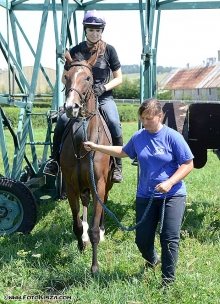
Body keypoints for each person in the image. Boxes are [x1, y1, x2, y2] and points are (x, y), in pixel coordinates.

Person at [83, 98, 194, 287]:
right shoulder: (139, 136)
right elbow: (123, 151)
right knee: (142, 240)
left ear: (160, 116)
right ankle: (153, 260)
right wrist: (96, 147)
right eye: (142, 118)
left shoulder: (172, 137)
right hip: (145, 195)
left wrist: (170, 182)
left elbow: (188, 163)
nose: (145, 122)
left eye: (149, 118)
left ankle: (168, 281)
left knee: (168, 238)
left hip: (172, 195)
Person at [44, 9, 123, 183]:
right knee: (63, 121)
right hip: (79, 98)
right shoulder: (75, 50)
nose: (94, 33)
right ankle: (54, 161)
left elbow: (119, 78)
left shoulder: (109, 50)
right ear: (85, 30)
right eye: (91, 29)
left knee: (114, 123)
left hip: (103, 97)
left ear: (102, 31)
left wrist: (103, 88)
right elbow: (65, 76)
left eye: (98, 30)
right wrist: (73, 93)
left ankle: (117, 166)